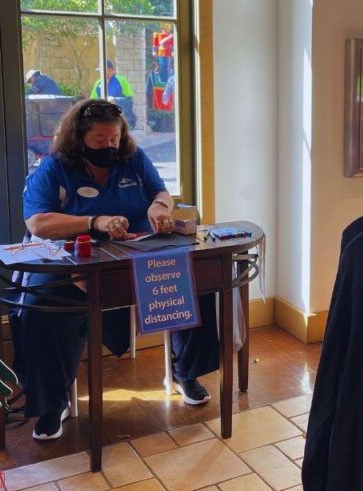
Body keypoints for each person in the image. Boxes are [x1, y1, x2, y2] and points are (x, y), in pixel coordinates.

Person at [19, 99, 218, 440]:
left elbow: (160, 191)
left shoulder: (133, 158)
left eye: (114, 139)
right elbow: (38, 222)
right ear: (79, 138)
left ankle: (186, 373)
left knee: (194, 281)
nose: (109, 146)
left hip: (135, 252)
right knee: (41, 307)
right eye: (100, 140)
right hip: (75, 257)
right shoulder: (54, 167)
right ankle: (54, 403)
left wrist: (158, 208)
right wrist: (94, 221)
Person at [91, 59, 136, 128]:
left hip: (119, 119)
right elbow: (92, 100)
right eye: (100, 71)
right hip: (102, 119)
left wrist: (115, 100)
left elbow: (129, 99)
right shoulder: (98, 82)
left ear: (111, 69)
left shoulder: (121, 80)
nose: (101, 73)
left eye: (102, 70)